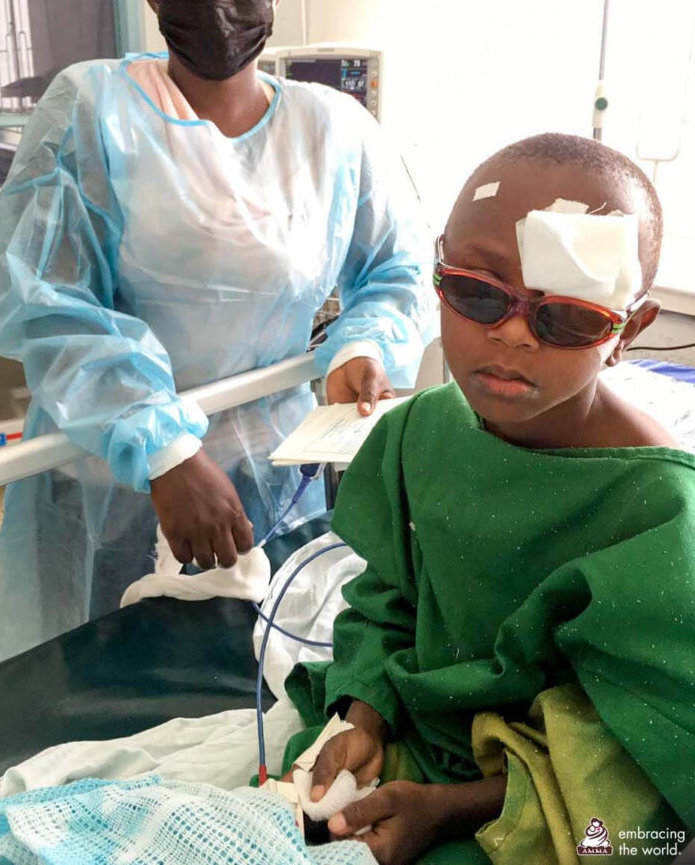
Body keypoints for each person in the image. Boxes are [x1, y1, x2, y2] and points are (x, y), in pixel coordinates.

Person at [0, 0, 433, 664]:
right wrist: (162, 451)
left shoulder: (335, 131)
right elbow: (54, 307)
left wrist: (359, 348)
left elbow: (396, 271)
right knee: (101, 690)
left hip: (272, 471)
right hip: (113, 484)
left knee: (253, 688)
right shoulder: (91, 112)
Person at [281, 133, 695, 864]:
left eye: (564, 316)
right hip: (416, 736)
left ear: (626, 332)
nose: (509, 334)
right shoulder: (421, 429)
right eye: (477, 292)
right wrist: (363, 713)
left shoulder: (656, 510)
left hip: (551, 801)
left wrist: (451, 810)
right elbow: (391, 601)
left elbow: (643, 744)